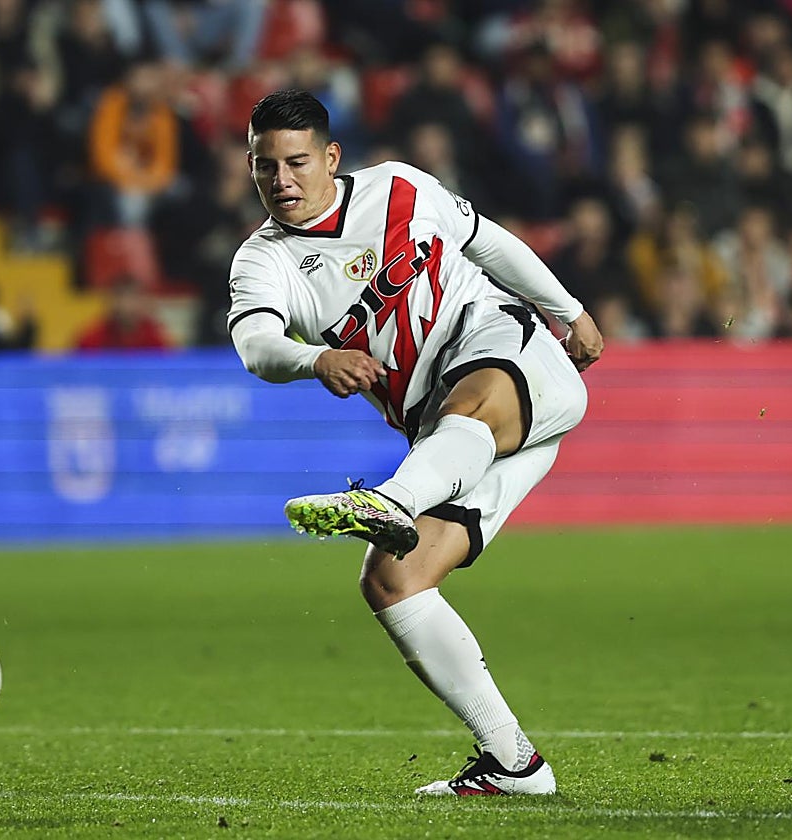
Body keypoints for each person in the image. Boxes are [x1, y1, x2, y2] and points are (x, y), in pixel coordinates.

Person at [227, 90, 603, 797]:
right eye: (264, 166)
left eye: (296, 162)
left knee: (471, 390)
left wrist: (569, 310)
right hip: (460, 443)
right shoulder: (264, 261)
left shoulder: (400, 187)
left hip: (507, 354)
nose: (281, 180)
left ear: (331, 158)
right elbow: (256, 346)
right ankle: (513, 762)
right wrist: (314, 359)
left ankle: (388, 499)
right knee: (392, 580)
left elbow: (485, 240)